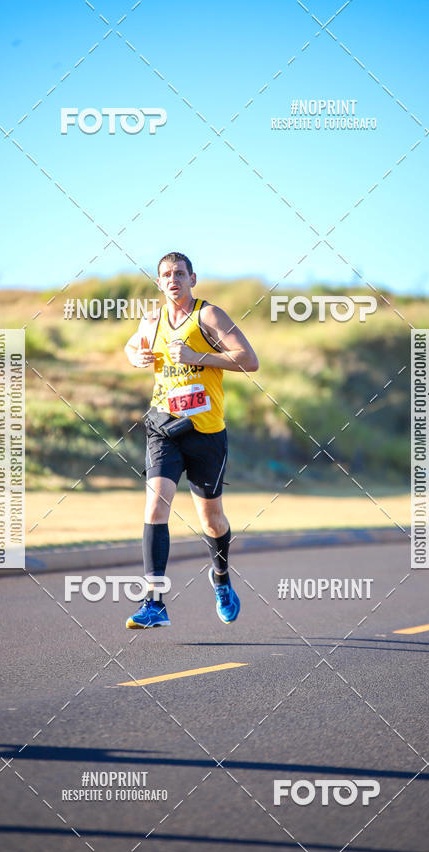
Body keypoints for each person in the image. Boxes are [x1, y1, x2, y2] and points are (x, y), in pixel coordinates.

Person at [124, 251, 258, 628]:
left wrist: (199, 355)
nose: (173, 280)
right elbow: (131, 347)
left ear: (192, 279)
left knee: (212, 520)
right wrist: (137, 357)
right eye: (166, 274)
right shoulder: (152, 321)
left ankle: (220, 579)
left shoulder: (208, 315)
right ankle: (154, 603)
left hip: (207, 434)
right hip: (164, 429)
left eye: (180, 273)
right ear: (159, 282)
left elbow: (249, 360)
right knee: (155, 508)